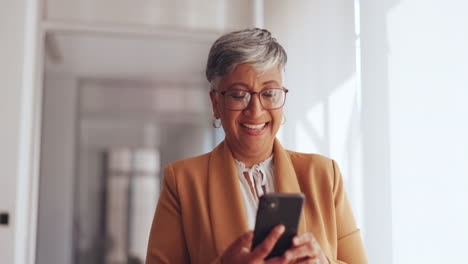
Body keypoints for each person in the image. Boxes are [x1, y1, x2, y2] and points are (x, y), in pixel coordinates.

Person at [146, 28, 367, 264]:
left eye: (269, 93)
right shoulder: (183, 181)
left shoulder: (323, 174)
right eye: (239, 95)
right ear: (215, 102)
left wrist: (324, 263)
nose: (256, 110)